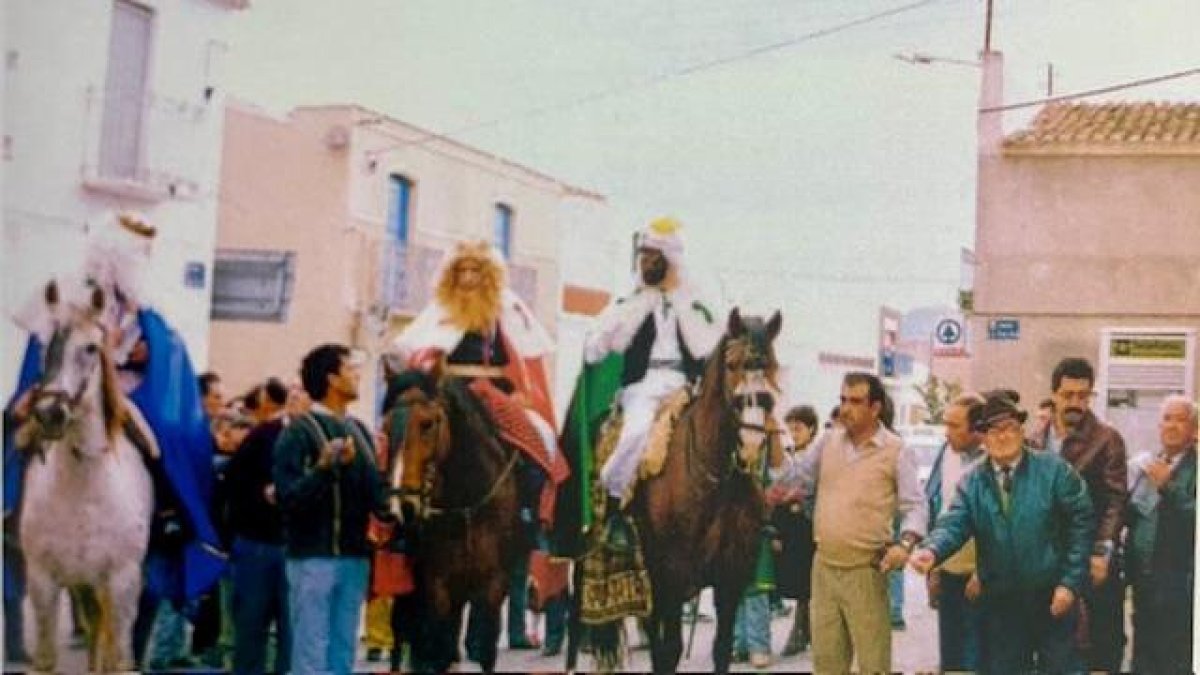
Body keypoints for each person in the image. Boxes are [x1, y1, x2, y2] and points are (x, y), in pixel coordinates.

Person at [5, 211, 224, 666]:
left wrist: (150, 352)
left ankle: (170, 512)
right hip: (63, 387)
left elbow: (166, 354)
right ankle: (10, 508)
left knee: (160, 441)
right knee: (19, 431)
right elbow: (45, 343)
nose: (139, 261)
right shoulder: (66, 294)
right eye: (134, 251)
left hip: (124, 396)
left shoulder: (144, 310)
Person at [389, 239, 569, 652]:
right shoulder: (440, 312)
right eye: (462, 272)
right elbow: (420, 356)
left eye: (475, 272)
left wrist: (516, 392)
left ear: (487, 277)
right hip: (447, 393)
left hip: (492, 392)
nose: (468, 279)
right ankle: (399, 514)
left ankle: (528, 511)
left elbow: (522, 358)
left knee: (537, 437)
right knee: (406, 436)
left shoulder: (504, 311)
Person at [912, 392, 1093, 674]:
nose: (1002, 436)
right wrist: (931, 550)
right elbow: (954, 522)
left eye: (1009, 427)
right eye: (993, 430)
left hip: (1053, 597)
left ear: (1021, 431)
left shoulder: (1054, 471)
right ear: (982, 437)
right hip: (1002, 602)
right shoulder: (973, 481)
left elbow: (1082, 526)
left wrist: (1069, 584)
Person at [577, 217, 722, 546]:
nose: (646, 263)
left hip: (683, 387)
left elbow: (707, 347)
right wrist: (609, 332)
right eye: (643, 256)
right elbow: (594, 348)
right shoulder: (630, 302)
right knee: (637, 432)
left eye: (653, 256)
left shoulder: (691, 303)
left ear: (670, 260)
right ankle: (615, 505)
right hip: (643, 386)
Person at [788, 372, 927, 674]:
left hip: (866, 571)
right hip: (824, 568)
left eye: (854, 401)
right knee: (826, 665)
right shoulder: (827, 441)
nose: (845, 409)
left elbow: (915, 506)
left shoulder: (895, 450)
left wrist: (905, 545)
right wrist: (771, 443)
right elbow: (795, 482)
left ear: (875, 408)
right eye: (842, 400)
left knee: (873, 665)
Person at [273, 343, 395, 674]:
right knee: (310, 651)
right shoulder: (297, 433)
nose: (357, 375)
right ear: (332, 379)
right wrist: (323, 469)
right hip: (312, 557)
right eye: (350, 369)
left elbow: (378, 496)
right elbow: (287, 500)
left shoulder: (361, 431)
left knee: (343, 652)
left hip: (354, 558)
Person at [1031, 357, 1128, 673]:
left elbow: (1116, 500)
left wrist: (1102, 549)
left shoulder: (1106, 438)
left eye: (1083, 395)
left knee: (1095, 646)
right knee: (1049, 647)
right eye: (1068, 394)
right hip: (1045, 559)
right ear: (1054, 393)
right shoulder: (1036, 438)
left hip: (1088, 558)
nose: (1076, 403)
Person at [223, 380, 294, 674]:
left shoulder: (265, 436)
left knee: (258, 631)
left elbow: (231, 486)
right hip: (266, 545)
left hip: (265, 545)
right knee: (272, 633)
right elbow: (234, 487)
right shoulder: (264, 436)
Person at [1125, 395, 1197, 674]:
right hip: (1143, 586)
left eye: (1180, 420)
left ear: (1193, 429)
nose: (1172, 426)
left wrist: (1170, 486)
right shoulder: (1147, 465)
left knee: (1172, 660)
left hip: (1179, 590)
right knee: (1143, 659)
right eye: (1167, 419)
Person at [923, 393, 986, 672]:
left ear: (977, 428)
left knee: (977, 658)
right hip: (948, 569)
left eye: (954, 426)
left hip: (982, 578)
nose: (946, 433)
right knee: (951, 659)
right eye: (945, 425)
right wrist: (933, 567)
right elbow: (935, 507)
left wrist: (984, 570)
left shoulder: (993, 462)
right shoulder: (945, 453)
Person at [772, 405, 818, 657]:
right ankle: (804, 630)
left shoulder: (816, 455)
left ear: (811, 429)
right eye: (790, 430)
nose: (794, 434)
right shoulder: (787, 454)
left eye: (798, 429)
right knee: (798, 580)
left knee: (807, 581)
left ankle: (801, 632)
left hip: (808, 522)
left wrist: (797, 495)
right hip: (789, 524)